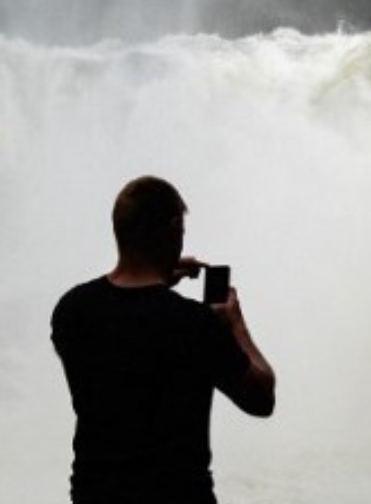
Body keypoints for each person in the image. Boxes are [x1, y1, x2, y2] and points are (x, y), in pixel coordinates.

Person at [51, 175, 276, 504]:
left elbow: (126, 325)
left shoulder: (72, 310)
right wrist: (236, 326)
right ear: (173, 229)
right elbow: (261, 398)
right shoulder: (194, 324)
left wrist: (157, 279)